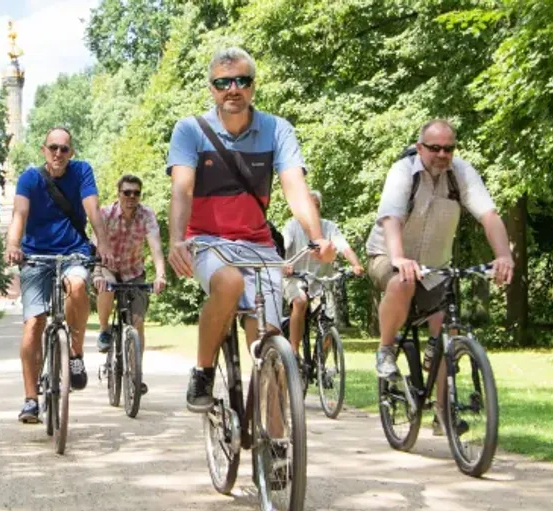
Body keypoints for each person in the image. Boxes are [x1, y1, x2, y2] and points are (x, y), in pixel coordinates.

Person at [166, 47, 336, 412]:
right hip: (208, 242)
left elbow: (295, 187)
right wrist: (176, 240)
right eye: (223, 83)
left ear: (253, 86)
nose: (233, 89)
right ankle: (203, 371)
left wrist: (318, 237)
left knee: (269, 346)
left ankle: (275, 441)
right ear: (211, 88)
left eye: (242, 81)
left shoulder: (276, 129)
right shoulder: (190, 130)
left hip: (259, 245)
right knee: (229, 282)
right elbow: (182, 190)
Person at [365, 119, 514, 433]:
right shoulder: (403, 172)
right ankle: (386, 350)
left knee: (447, 330)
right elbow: (391, 219)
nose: (442, 154)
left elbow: (489, 216)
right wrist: (399, 258)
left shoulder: (461, 174)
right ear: (420, 148)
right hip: (387, 256)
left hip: (435, 268)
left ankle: (443, 413)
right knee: (402, 281)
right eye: (435, 148)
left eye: (449, 148)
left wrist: (504, 255)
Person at [5, 127, 111, 424]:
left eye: (64, 149)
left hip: (73, 252)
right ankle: (30, 400)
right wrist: (13, 245)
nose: (58, 153)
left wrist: (103, 243)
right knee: (34, 323)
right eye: (53, 147)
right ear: (44, 150)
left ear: (71, 152)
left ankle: (75, 355)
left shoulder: (82, 171)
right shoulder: (30, 178)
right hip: (36, 256)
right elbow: (19, 214)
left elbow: (93, 209)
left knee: (77, 286)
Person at [93, 174, 166, 395]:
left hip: (133, 271)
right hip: (108, 267)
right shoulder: (105, 214)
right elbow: (96, 245)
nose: (131, 197)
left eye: (136, 193)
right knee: (106, 285)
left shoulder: (146, 215)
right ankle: (104, 330)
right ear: (119, 194)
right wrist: (97, 273)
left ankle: (136, 374)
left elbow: (155, 247)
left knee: (137, 323)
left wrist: (160, 275)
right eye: (127, 192)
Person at [282, 190, 364, 351]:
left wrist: (356, 265)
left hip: (322, 280)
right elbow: (283, 245)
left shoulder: (329, 227)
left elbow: (344, 248)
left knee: (328, 319)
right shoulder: (292, 226)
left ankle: (321, 361)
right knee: (300, 302)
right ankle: (294, 351)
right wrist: (283, 264)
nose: (313, 210)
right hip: (295, 278)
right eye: (309, 206)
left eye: (316, 206)